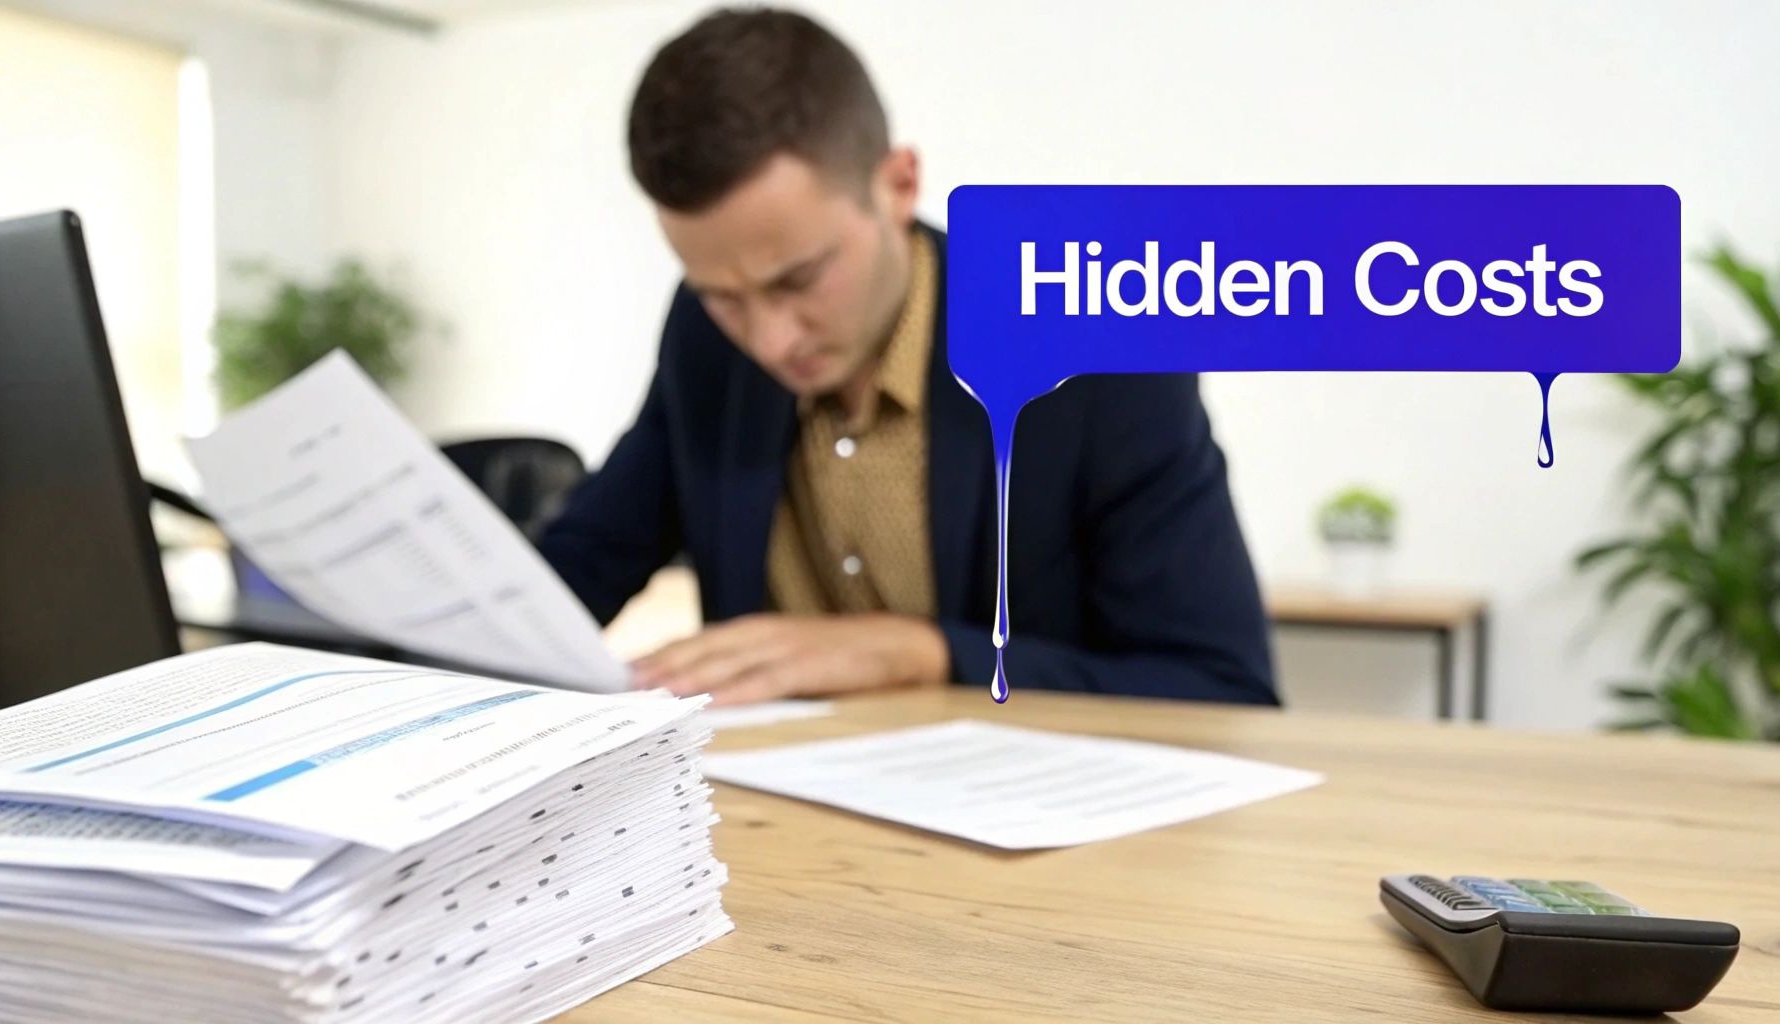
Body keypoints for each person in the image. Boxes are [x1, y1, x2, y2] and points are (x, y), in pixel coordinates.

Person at [540, 7, 1275, 707]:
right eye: (722, 295)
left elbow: (1219, 686)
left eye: (798, 279)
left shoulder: (1099, 350)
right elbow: (580, 568)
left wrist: (920, 652)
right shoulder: (703, 337)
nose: (770, 340)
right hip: (764, 817)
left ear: (897, 185)